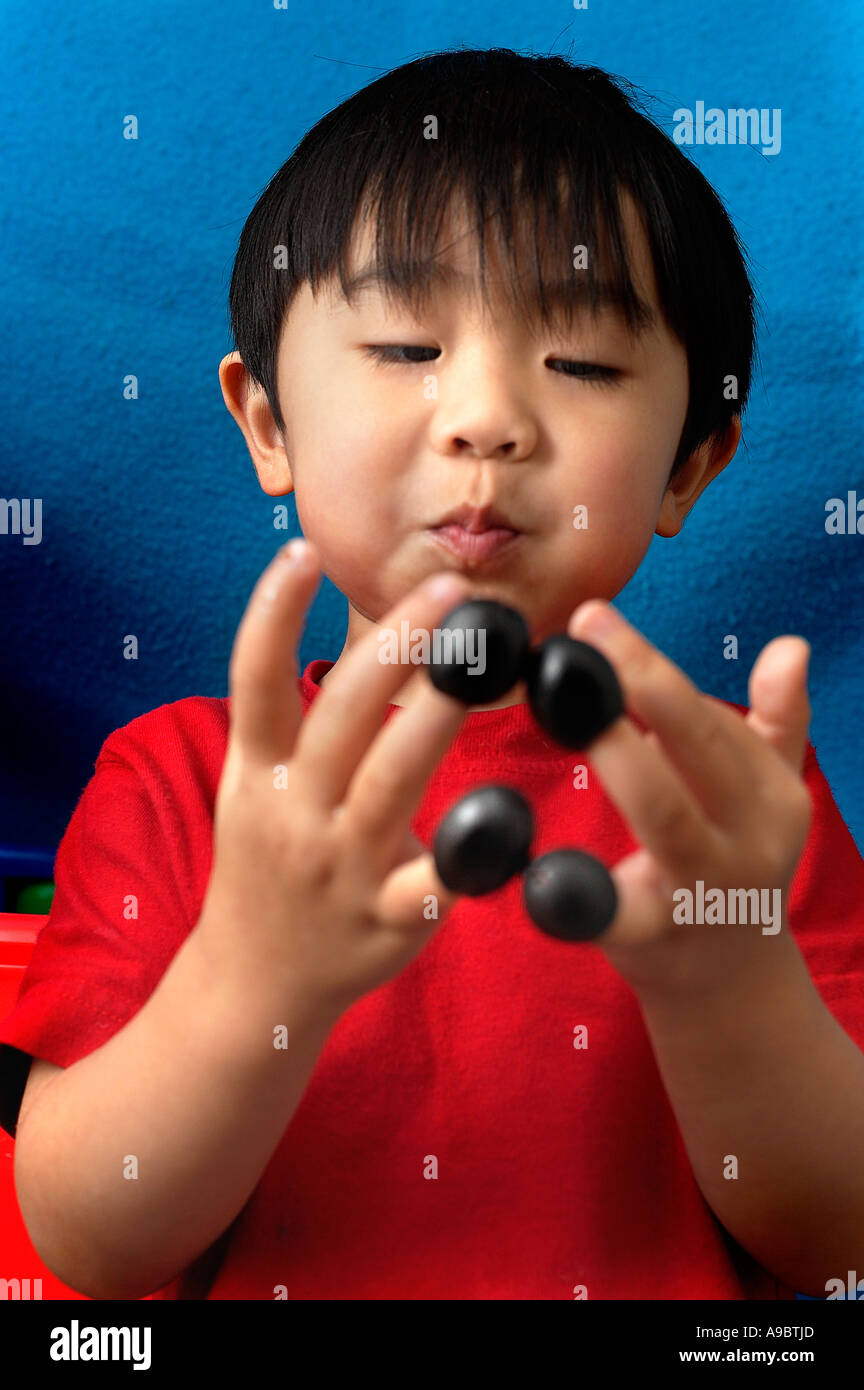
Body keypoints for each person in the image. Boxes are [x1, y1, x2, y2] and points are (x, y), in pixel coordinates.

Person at [2, 47, 863, 1302]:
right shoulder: (185, 783)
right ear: (267, 425)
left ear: (691, 464)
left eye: (583, 365)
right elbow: (91, 1243)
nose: (487, 418)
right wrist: (257, 980)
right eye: (407, 343)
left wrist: (730, 983)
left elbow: (835, 1241)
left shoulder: (731, 802)